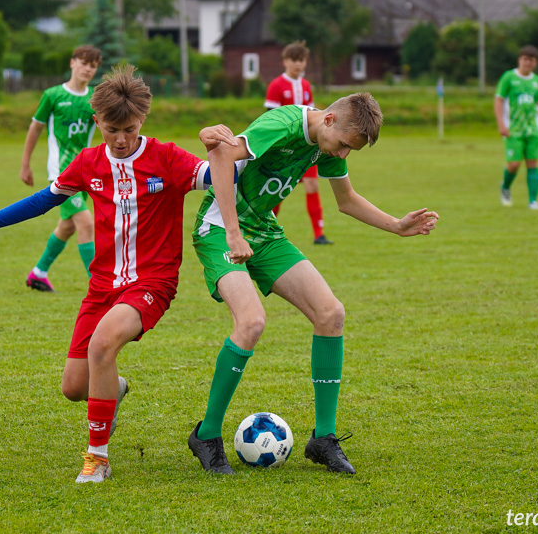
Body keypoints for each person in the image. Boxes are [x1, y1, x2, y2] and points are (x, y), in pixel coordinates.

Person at [0, 63, 238, 484]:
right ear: (95, 121)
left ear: (142, 121)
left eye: (130, 130)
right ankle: (113, 389)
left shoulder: (166, 157)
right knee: (74, 388)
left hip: (152, 282)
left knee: (102, 345)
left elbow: (220, 175)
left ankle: (97, 458)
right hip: (102, 286)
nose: (120, 139)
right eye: (111, 129)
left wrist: (230, 147)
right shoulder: (88, 162)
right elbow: (41, 201)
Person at [187, 94, 439, 475]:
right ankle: (206, 435)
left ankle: (323, 439)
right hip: (221, 230)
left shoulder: (329, 145)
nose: (341, 156)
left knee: (330, 313)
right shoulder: (283, 123)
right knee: (252, 323)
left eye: (350, 151)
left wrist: (396, 226)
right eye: (342, 146)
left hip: (264, 233)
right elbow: (221, 155)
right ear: (328, 120)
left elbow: (347, 200)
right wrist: (235, 234)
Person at [21, 46, 102, 292]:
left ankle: (38, 273)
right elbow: (35, 129)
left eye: (94, 65)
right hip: (61, 173)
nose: (88, 69)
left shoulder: (95, 99)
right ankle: (99, 286)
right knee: (86, 224)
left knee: (67, 226)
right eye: (84, 63)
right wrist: (25, 164)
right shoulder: (53, 95)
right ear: (72, 63)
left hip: (86, 171)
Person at [264, 41, 331, 245]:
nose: (298, 64)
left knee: (312, 186)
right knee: (279, 190)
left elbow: (311, 114)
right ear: (285, 61)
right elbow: (270, 117)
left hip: (305, 147)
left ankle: (319, 234)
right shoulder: (276, 85)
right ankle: (265, 229)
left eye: (301, 60)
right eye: (294, 60)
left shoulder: (306, 86)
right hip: (286, 150)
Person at [494, 44, 538, 210]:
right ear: (519, 60)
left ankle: (533, 201)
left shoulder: (537, 81)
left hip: (532, 129)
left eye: (531, 60)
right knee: (514, 164)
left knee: (532, 163)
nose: (527, 63)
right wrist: (501, 124)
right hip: (513, 129)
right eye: (525, 59)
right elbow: (498, 100)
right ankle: (505, 187)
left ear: (536, 63)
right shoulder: (508, 78)